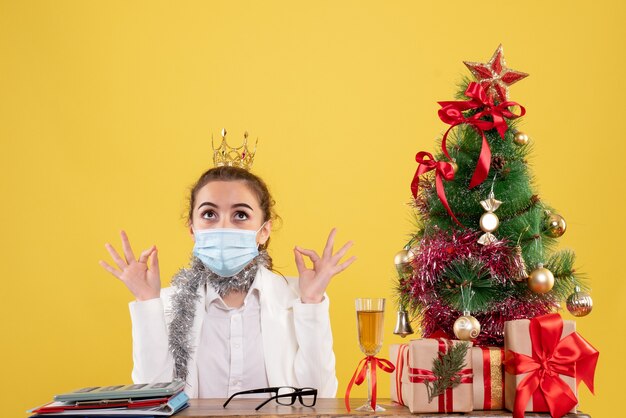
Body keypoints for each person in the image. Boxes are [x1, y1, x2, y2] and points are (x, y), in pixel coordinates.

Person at [99, 165, 355, 399]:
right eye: (209, 214)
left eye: (240, 215)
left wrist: (311, 303)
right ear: (192, 229)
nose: (223, 226)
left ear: (264, 231)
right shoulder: (165, 303)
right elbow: (152, 398)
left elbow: (320, 397)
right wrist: (147, 302)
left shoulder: (296, 298)